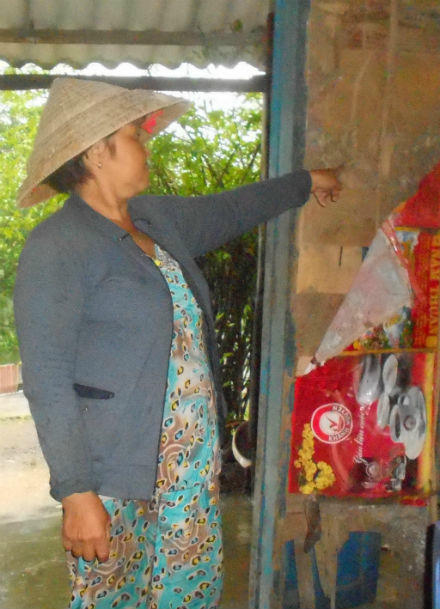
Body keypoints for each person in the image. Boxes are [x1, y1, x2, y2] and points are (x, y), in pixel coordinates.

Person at [13, 77, 341, 609]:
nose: (146, 145)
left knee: (188, 595)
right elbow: (46, 380)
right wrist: (75, 492)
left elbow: (233, 209)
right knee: (116, 599)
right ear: (97, 152)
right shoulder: (58, 247)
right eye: (134, 136)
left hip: (189, 467)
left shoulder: (155, 220)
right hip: (115, 475)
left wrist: (305, 182)